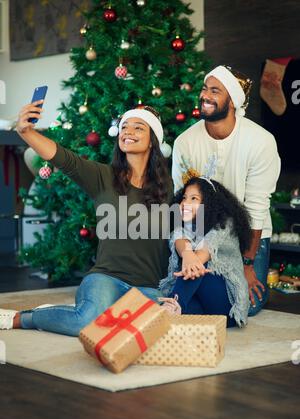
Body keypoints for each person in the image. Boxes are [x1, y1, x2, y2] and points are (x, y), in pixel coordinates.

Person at [0, 102, 173, 335]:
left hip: (149, 287)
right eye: (124, 127)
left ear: (153, 139)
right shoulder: (103, 176)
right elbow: (63, 158)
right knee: (86, 323)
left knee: (155, 328)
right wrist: (26, 132)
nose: (128, 132)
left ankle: (86, 309)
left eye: (138, 128)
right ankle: (24, 318)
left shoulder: (169, 187)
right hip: (106, 278)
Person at [172, 65, 281, 315]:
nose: (205, 96)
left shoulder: (260, 141)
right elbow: (183, 205)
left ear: (232, 101)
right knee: (202, 285)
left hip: (247, 234)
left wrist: (247, 263)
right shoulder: (185, 142)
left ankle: (187, 301)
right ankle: (185, 299)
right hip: (202, 230)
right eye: (204, 89)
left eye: (215, 91)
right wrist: (189, 251)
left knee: (247, 307)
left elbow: (256, 208)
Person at [158, 172, 252, 328]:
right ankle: (174, 310)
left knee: (200, 264)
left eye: (194, 198)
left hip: (226, 307)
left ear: (209, 204)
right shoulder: (183, 226)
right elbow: (179, 240)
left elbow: (204, 252)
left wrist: (190, 257)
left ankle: (173, 305)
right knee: (191, 261)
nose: (185, 203)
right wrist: (187, 254)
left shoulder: (224, 225)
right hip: (202, 305)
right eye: (184, 198)